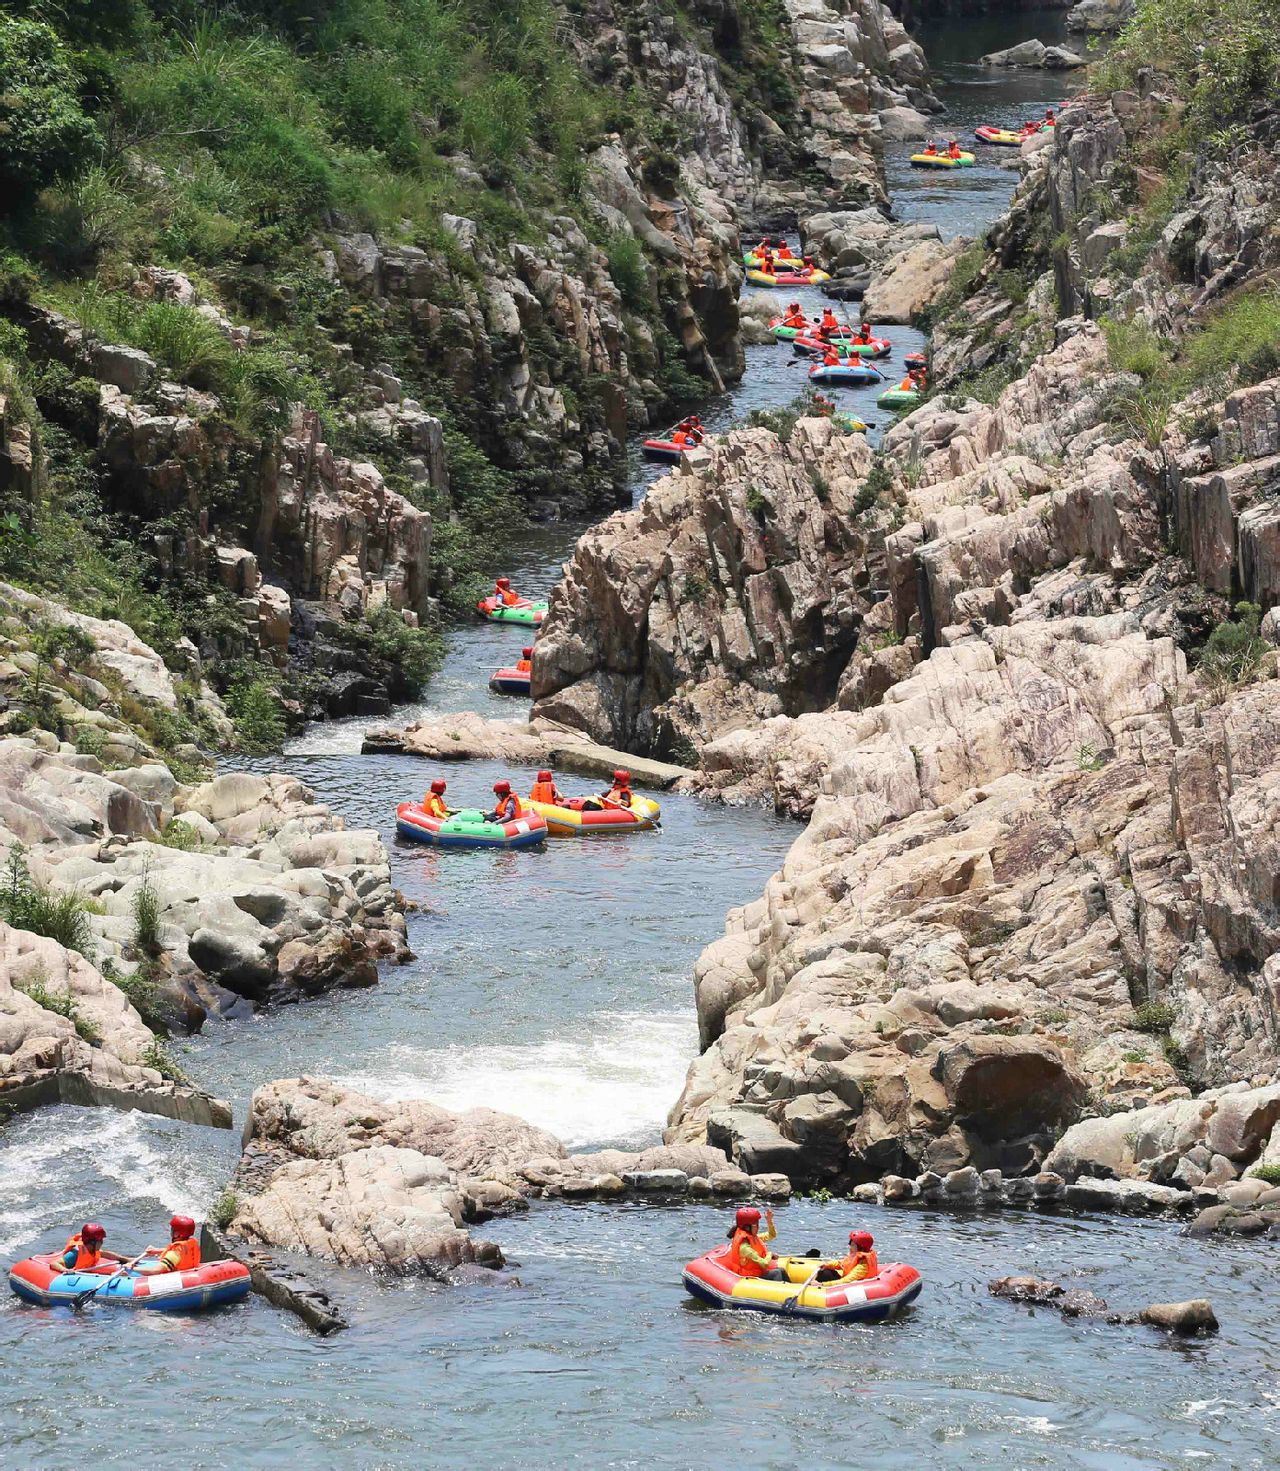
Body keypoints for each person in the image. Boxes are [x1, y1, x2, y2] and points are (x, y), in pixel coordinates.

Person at [726, 1206, 785, 1280]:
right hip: (749, 1278)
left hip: (758, 1272)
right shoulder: (744, 1247)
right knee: (776, 1273)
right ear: (747, 1228)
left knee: (781, 1270)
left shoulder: (753, 1238)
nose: (758, 1227)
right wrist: (770, 1254)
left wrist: (769, 1221)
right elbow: (764, 1264)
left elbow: (772, 1235)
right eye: (756, 1225)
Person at [56, 1222, 122, 1272]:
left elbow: (106, 1254)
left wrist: (125, 1259)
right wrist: (65, 1270)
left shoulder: (92, 1251)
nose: (102, 1242)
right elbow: (54, 1263)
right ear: (92, 1242)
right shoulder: (75, 1254)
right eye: (100, 1240)